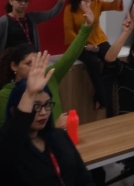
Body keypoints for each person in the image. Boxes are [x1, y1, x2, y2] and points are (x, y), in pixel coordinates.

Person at [0, 52, 94, 185]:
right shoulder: (11, 148)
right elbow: (11, 142)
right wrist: (29, 95)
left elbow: (83, 177)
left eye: (47, 105)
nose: (43, 112)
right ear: (14, 110)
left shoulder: (59, 136)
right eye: (36, 106)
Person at [0, 2, 94, 127]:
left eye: (38, 62)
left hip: (60, 138)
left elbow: (70, 55)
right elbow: (7, 134)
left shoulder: (49, 77)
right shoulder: (5, 95)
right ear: (14, 66)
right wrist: (54, 127)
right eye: (29, 63)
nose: (35, 68)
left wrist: (87, 26)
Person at [63, 0, 123, 110]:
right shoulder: (70, 8)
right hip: (79, 43)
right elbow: (69, 32)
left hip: (99, 40)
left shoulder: (97, 3)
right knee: (92, 63)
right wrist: (84, 46)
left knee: (112, 61)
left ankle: (99, 96)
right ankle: (104, 100)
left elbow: (116, 5)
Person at [0, 0, 68, 53]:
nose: (23, 3)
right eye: (19, 0)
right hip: (12, 58)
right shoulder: (3, 22)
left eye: (26, 1)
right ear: (11, 1)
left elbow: (51, 13)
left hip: (32, 57)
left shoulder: (32, 17)